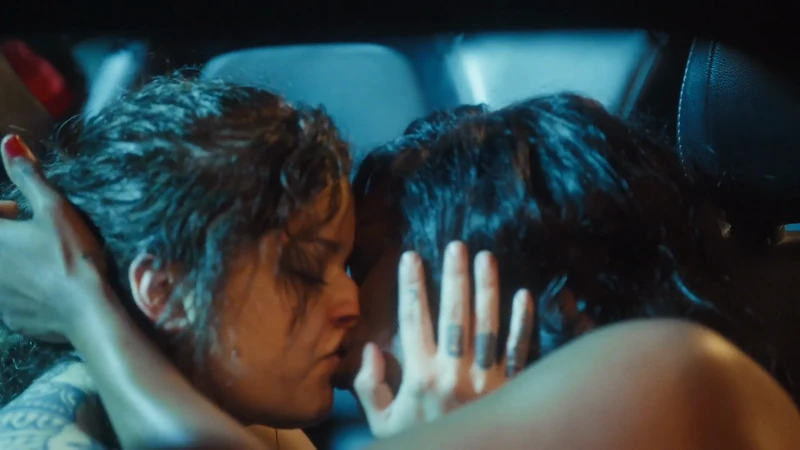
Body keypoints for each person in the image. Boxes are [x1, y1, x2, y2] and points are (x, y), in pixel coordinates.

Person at [2, 92, 800, 449]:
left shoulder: (673, 375)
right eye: (319, 265)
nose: (347, 301)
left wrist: (84, 299)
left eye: (360, 261)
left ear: (485, 278)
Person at [0, 76, 529, 449]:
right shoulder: (48, 433)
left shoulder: (266, 430)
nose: (350, 301)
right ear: (164, 291)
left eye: (345, 264)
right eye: (307, 269)